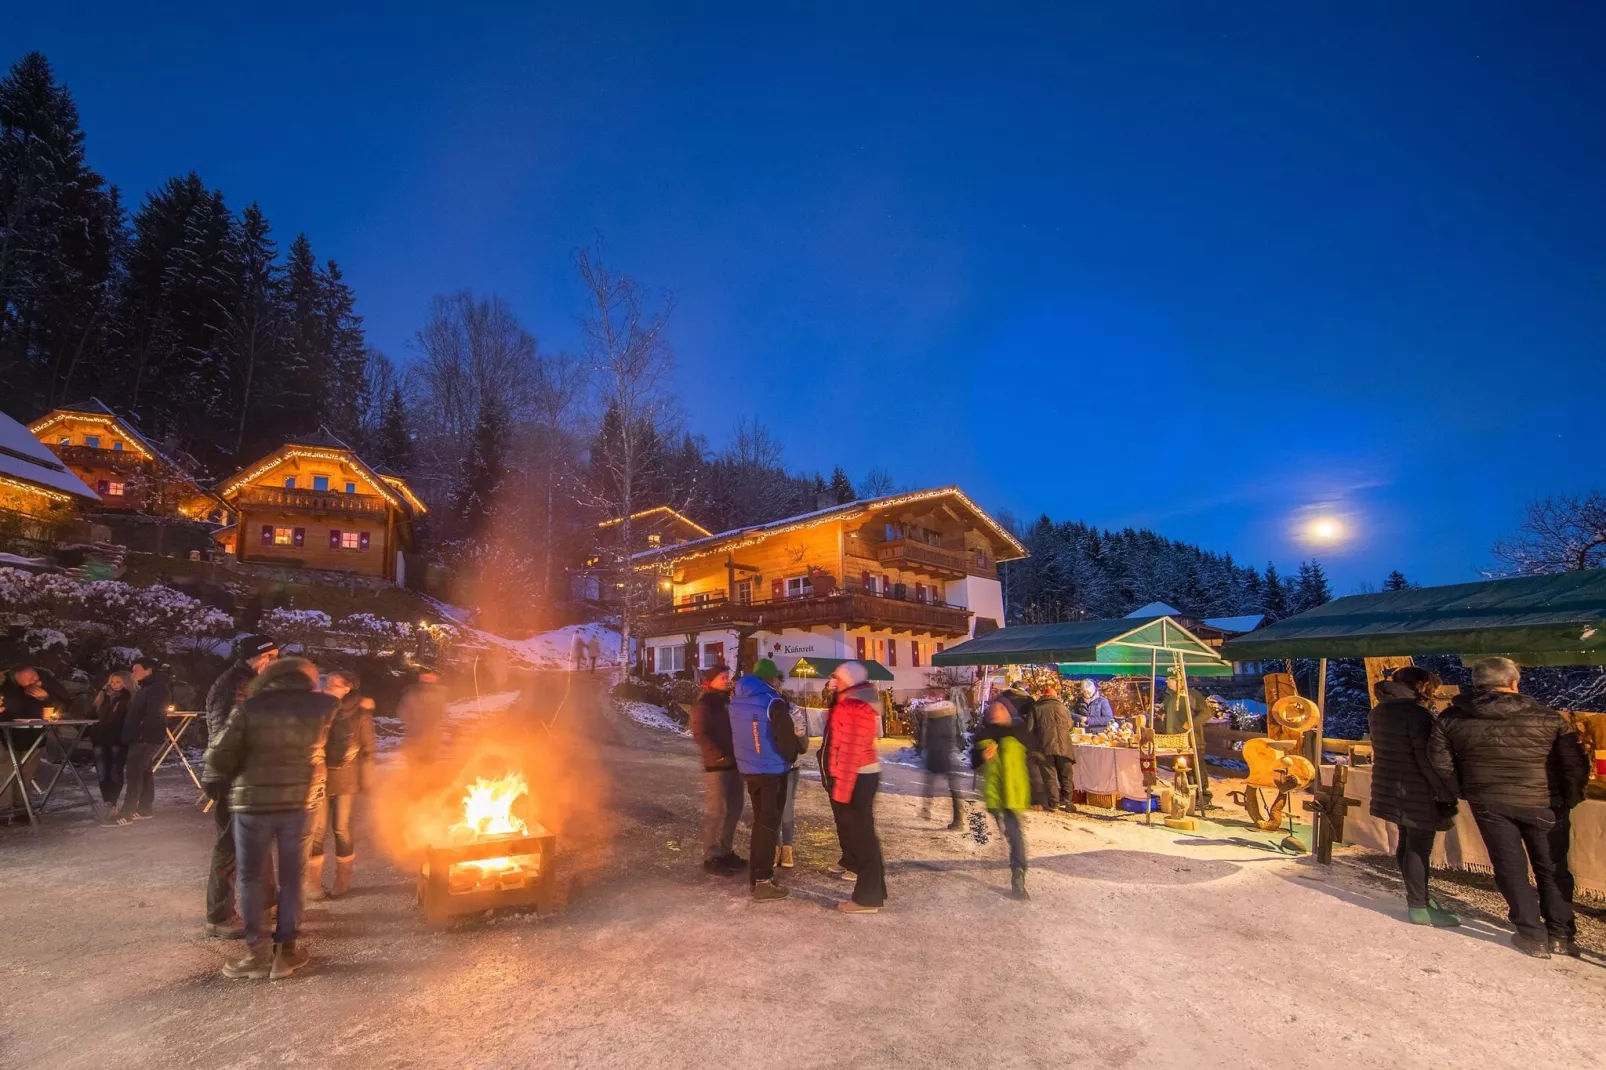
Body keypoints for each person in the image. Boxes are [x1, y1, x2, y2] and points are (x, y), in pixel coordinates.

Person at [1429, 656, 1590, 958]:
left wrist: (1463, 789)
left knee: (1509, 866)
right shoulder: (1549, 717)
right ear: (1515, 683)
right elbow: (1575, 763)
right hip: (1545, 801)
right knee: (1552, 867)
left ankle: (1532, 934)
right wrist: (1570, 797)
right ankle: (1561, 935)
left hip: (1490, 801)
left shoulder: (1452, 718)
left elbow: (1440, 761)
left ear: (1477, 683)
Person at [204, 657, 337, 981]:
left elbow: (218, 757)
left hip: (251, 806)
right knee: (293, 876)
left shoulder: (249, 708)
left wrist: (245, 769)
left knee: (250, 877)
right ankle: (286, 954)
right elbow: (337, 754)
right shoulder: (326, 707)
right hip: (300, 804)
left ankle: (257, 955)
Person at [1368, 667, 1460, 926]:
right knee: (1419, 846)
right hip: (1416, 788)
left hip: (1391, 784)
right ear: (1421, 686)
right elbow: (1427, 758)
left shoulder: (1380, 712)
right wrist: (1446, 792)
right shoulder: (1416, 715)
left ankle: (1419, 897)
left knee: (1407, 842)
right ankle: (1418, 904)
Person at [203, 634, 280, 937]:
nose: (274, 663)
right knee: (230, 847)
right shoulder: (236, 684)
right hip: (233, 776)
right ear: (254, 657)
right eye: (270, 657)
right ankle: (219, 917)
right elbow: (228, 734)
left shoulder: (247, 682)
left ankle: (266, 905)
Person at [729, 659, 801, 901]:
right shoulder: (773, 702)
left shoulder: (738, 699)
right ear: (772, 678)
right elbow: (786, 739)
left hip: (750, 769)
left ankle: (757, 875)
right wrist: (791, 757)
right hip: (772, 770)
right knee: (768, 825)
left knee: (761, 822)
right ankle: (762, 880)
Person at [306, 670, 376, 900]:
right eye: (328, 683)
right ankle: (312, 881)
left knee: (341, 827)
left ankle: (342, 878)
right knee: (317, 828)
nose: (329, 687)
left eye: (336, 685)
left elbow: (368, 748)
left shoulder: (359, 713)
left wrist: (366, 777)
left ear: (348, 689)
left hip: (346, 777)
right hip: (318, 776)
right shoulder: (315, 707)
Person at [823, 661, 886, 914]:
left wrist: (841, 790)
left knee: (862, 838)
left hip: (857, 776)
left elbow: (849, 752)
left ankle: (866, 899)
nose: (833, 682)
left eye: (837, 677)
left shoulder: (853, 706)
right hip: (862, 775)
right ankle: (875, 890)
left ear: (848, 680)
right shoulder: (855, 702)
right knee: (865, 836)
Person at [973, 694, 1033, 900]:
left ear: (1008, 713)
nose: (995, 713)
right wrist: (982, 757)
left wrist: (1041, 796)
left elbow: (1033, 764)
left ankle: (1018, 878)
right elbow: (973, 762)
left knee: (1015, 836)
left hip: (1013, 795)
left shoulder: (1019, 734)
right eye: (992, 711)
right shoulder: (983, 736)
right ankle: (1017, 870)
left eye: (999, 710)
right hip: (995, 797)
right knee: (1011, 834)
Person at [690, 664, 745, 875]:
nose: (727, 679)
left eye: (727, 676)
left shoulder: (728, 700)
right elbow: (700, 733)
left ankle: (726, 850)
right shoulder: (705, 702)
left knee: (735, 808)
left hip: (734, 763)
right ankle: (711, 855)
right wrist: (718, 754)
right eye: (722, 676)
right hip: (717, 766)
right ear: (712, 679)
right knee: (718, 811)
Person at [1, 667, 68, 820]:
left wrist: (46, 698)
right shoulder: (4, 684)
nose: (35, 682)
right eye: (31, 679)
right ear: (19, 675)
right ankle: (3, 811)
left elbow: (61, 704)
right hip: (6, 736)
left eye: (36, 679)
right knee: (6, 773)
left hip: (32, 736)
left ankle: (21, 809)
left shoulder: (42, 686)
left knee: (27, 773)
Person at [115, 658, 170, 823]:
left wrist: (141, 733)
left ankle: (126, 813)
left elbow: (155, 713)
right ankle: (145, 808)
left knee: (134, 774)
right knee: (144, 772)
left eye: (136, 669)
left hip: (144, 737)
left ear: (149, 670)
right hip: (141, 736)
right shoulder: (146, 687)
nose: (133, 673)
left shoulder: (157, 688)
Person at [917, 698, 966, 830]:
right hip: (945, 755)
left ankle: (927, 809)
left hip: (937, 755)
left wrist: (923, 746)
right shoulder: (949, 720)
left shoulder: (933, 720)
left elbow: (926, 739)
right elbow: (955, 737)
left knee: (931, 784)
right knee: (952, 788)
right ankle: (958, 818)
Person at [90, 671, 134, 810]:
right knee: (102, 772)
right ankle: (107, 801)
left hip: (118, 740)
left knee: (115, 771)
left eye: (118, 682)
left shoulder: (129, 698)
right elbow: (90, 715)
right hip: (100, 739)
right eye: (113, 682)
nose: (114, 685)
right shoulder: (102, 697)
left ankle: (113, 801)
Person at [1033, 681, 1076, 812]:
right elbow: (1070, 726)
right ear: (1055, 696)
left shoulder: (1036, 708)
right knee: (1065, 775)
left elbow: (1029, 728)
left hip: (1045, 747)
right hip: (1065, 747)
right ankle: (1068, 802)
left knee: (1049, 776)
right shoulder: (1064, 708)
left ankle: (1053, 804)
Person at [776, 693, 809, 869]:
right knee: (777, 808)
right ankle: (779, 849)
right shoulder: (789, 710)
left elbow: (804, 745)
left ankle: (785, 848)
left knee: (782, 808)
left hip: (785, 767)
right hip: (776, 766)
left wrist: (799, 733)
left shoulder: (792, 711)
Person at [397, 666, 448, 771]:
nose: (427, 677)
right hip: (417, 738)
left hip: (428, 739)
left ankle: (423, 784)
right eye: (425, 675)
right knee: (418, 770)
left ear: (436, 677)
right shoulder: (412, 693)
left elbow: (403, 714)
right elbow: (403, 713)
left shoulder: (439, 694)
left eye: (430, 675)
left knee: (424, 770)